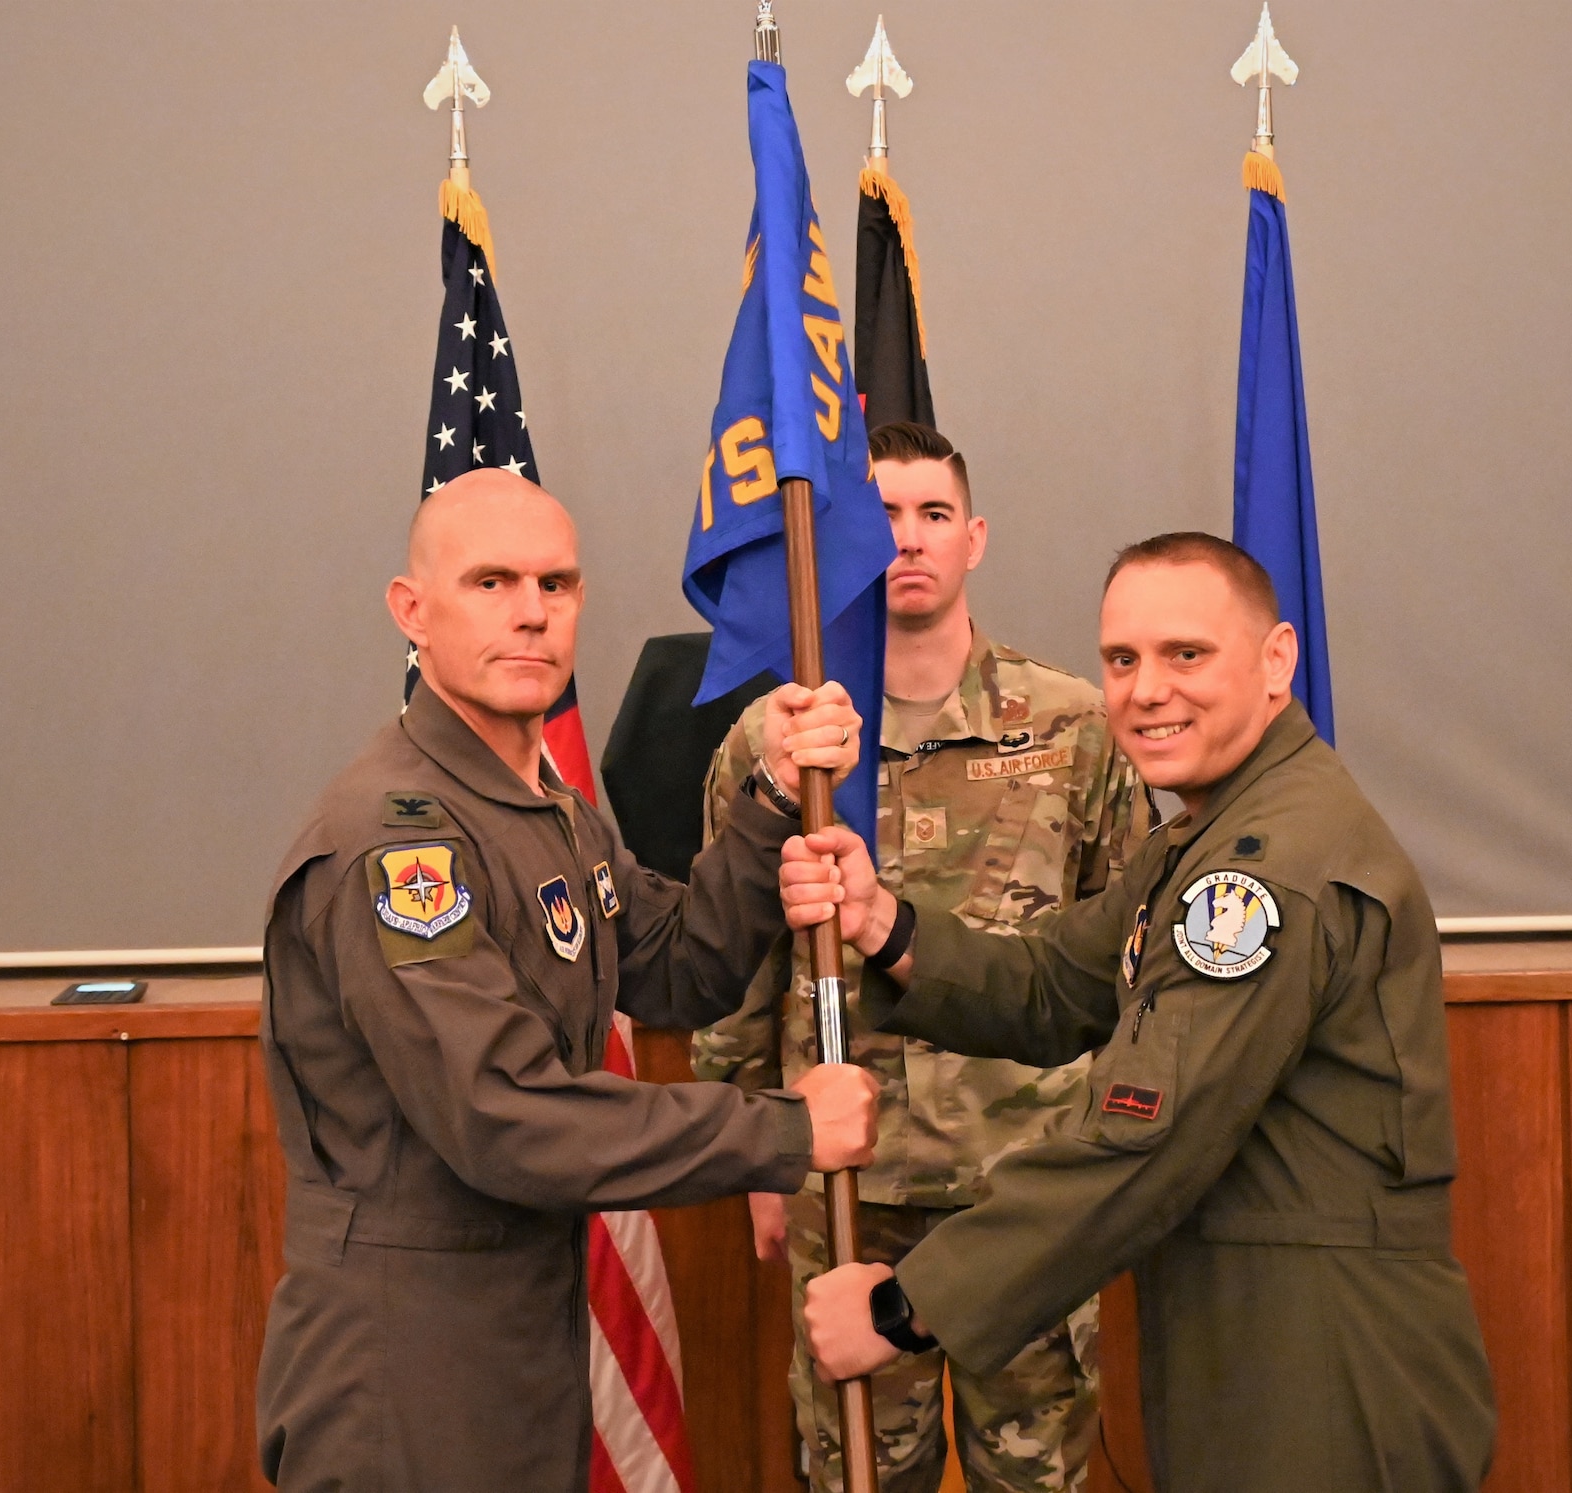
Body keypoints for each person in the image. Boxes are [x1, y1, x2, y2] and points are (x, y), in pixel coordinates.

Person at [786, 533, 1498, 1492]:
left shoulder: (1264, 869)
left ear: (1277, 660)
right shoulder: (1204, 837)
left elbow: (1145, 1137)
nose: (1146, 689)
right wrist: (882, 922)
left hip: (1321, 1354)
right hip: (1251, 1332)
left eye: (1186, 655)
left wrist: (906, 1307)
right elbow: (1053, 985)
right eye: (1122, 659)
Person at [254, 468, 880, 1493]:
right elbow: (505, 1114)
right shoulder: (400, 838)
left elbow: (678, 969)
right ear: (411, 611)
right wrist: (784, 1130)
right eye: (491, 581)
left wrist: (766, 796)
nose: (532, 611)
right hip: (410, 1350)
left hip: (516, 1325)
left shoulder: (542, 803)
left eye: (557, 582)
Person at [693, 421, 1151, 1493]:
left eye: (932, 514)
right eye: (882, 515)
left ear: (974, 536)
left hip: (1028, 1176)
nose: (907, 539)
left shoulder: (1073, 727)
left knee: (1032, 1475)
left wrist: (1115, 1153)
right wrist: (748, 1147)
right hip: (846, 1172)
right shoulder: (782, 737)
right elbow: (733, 959)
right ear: (847, 537)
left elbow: (1131, 956)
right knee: (855, 1474)